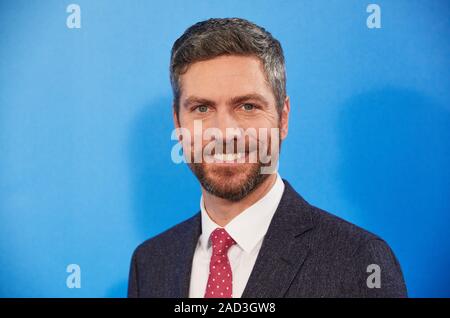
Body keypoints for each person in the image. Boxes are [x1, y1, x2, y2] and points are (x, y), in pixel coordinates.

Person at [127, 17, 407, 298]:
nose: (225, 133)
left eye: (248, 106)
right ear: (178, 123)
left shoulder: (359, 262)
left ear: (283, 118)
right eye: (202, 108)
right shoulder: (150, 264)